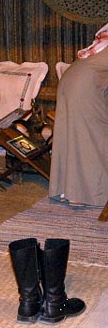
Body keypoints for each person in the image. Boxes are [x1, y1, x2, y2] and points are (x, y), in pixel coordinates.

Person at [49, 22, 108, 207]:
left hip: (74, 83)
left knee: (76, 135)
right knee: (92, 137)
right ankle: (87, 195)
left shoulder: (102, 43)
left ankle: (71, 190)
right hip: (84, 87)